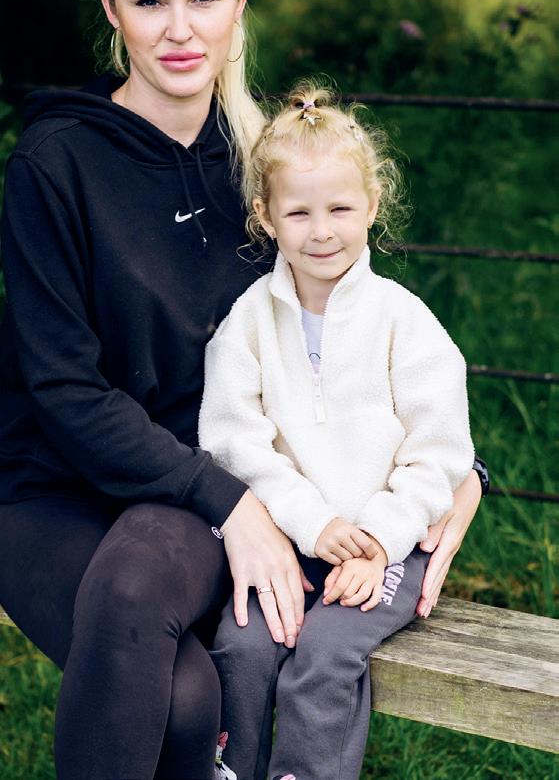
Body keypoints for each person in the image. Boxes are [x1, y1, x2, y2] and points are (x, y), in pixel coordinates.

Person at [0, 0, 485, 780]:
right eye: (150, 1)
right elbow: (62, 391)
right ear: (113, 10)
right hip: (61, 496)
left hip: (204, 498)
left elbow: (359, 341)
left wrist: (459, 473)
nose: (179, 28)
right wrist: (232, 505)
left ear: (238, 4)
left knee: (176, 669)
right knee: (179, 698)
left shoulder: (266, 166)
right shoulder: (55, 163)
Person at [199, 84, 477, 780]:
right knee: (242, 646)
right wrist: (310, 523)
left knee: (323, 656)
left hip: (390, 543)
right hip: (289, 537)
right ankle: (228, 770)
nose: (321, 231)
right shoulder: (248, 323)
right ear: (265, 217)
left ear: (372, 206)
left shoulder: (404, 321)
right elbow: (232, 441)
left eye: (340, 209)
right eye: (298, 212)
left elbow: (438, 451)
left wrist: (377, 540)